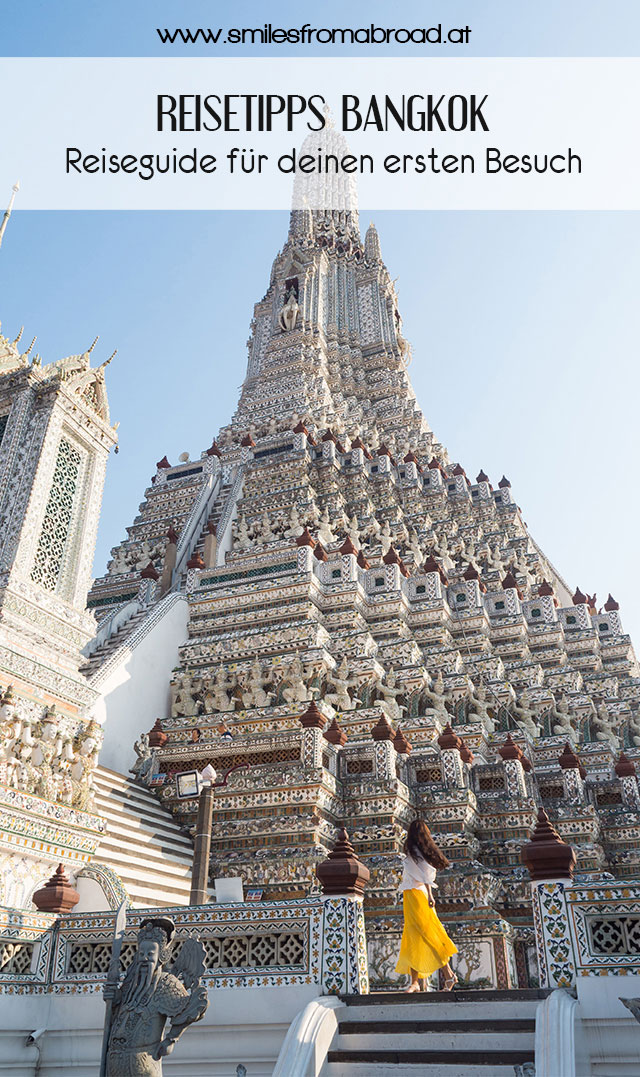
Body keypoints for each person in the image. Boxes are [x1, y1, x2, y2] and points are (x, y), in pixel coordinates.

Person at [396, 819, 458, 992]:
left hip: (417, 895)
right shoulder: (414, 850)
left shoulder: (414, 851)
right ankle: (416, 982)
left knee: (427, 935)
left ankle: (447, 975)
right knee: (412, 936)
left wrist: (430, 895)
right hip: (411, 895)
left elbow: (426, 875)